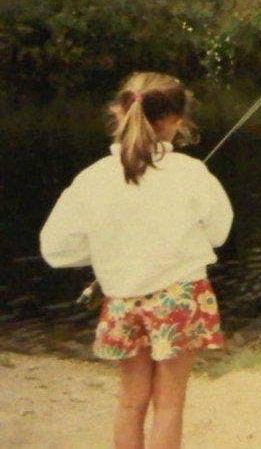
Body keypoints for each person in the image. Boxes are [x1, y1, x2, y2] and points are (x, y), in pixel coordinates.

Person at [39, 71, 234, 449]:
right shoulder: (192, 173)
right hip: (180, 300)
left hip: (123, 303)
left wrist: (106, 252)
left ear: (118, 111)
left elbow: (56, 250)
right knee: (169, 404)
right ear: (177, 122)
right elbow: (218, 234)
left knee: (130, 402)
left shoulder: (91, 179)